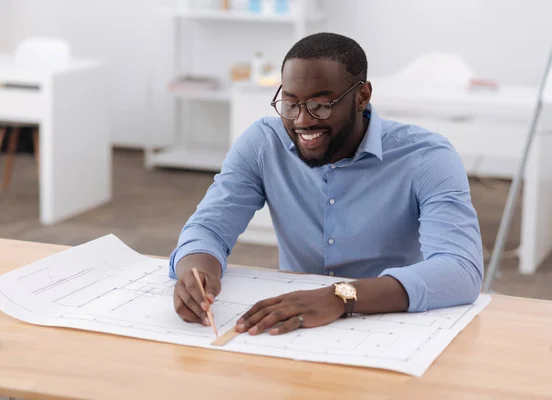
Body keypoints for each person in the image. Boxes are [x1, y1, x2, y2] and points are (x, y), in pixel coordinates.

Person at [168, 32, 484, 337]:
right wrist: (196, 271)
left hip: (392, 325)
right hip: (294, 323)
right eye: (291, 105)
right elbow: (208, 228)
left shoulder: (426, 157)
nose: (303, 121)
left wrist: (340, 297)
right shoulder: (264, 143)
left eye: (321, 105)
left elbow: (459, 270)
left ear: (362, 96)